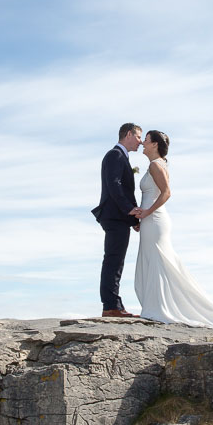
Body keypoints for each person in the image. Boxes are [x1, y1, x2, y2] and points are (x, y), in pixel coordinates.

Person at [132, 130, 213, 333]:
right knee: (154, 260)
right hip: (151, 220)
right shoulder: (158, 164)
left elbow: (167, 192)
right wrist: (144, 217)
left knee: (159, 261)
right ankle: (157, 305)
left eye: (146, 140)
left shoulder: (155, 165)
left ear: (155, 145)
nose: (142, 142)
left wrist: (147, 212)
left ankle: (159, 308)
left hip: (156, 218)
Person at [92, 123, 143, 317]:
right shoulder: (114, 155)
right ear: (128, 134)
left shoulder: (122, 157)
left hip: (119, 217)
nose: (140, 141)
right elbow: (114, 186)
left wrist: (132, 220)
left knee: (117, 261)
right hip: (114, 217)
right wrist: (130, 210)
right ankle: (111, 306)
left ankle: (115, 304)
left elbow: (124, 190)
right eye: (138, 137)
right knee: (113, 261)